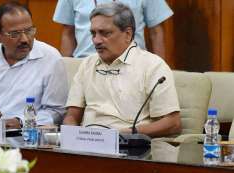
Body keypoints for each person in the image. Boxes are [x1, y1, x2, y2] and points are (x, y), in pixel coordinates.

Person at [63, 2, 181, 137]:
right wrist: (71, 136)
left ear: (128, 34)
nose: (96, 40)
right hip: (88, 143)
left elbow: (173, 123)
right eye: (93, 33)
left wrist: (127, 133)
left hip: (129, 145)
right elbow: (72, 116)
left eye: (105, 33)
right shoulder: (87, 64)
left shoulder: (152, 66)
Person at [0, 2, 68, 129]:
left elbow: (57, 112)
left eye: (29, 31)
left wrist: (21, 121)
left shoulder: (50, 58)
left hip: (25, 137)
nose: (24, 39)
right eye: (15, 34)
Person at [53, 0, 173, 59]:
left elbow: (156, 33)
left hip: (133, 65)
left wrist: (161, 69)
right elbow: (68, 33)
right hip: (86, 64)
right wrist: (66, 68)